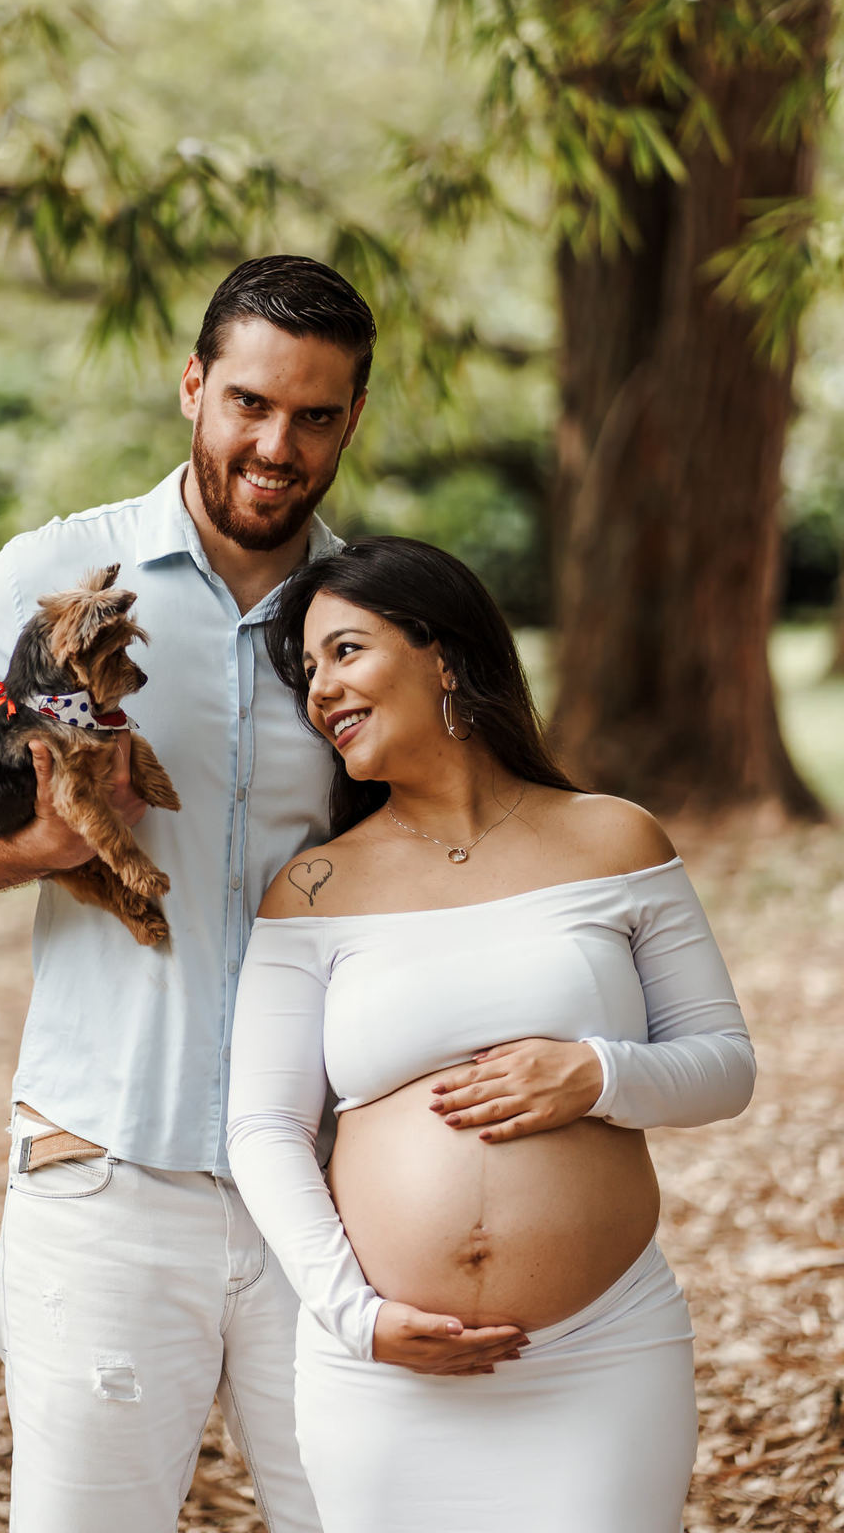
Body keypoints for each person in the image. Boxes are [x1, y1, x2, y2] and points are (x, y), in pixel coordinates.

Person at [0, 257, 520, 1533]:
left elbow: (470, 840)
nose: (278, 446)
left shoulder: (374, 619)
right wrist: (53, 845)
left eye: (316, 416)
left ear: (352, 418)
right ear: (193, 387)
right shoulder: (55, 582)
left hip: (340, 1195)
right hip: (107, 1180)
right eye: (250, 405)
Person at [225, 536, 756, 1533]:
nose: (320, 690)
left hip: (603, 1358)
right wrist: (358, 1317)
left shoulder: (615, 840)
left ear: (444, 654)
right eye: (306, 671)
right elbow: (262, 1125)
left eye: (345, 651)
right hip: (385, 1370)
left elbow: (724, 1068)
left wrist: (593, 1074)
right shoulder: (314, 888)